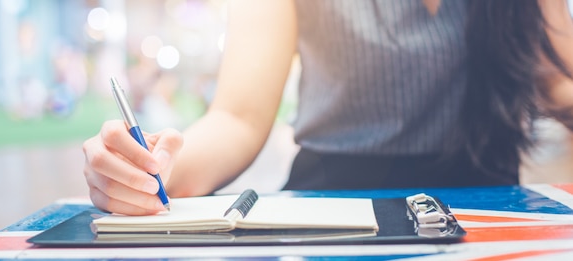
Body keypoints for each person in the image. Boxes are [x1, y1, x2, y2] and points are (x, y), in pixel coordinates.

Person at [82, 0, 573, 215]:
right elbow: (237, 118)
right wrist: (153, 170)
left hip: (485, 209)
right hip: (335, 208)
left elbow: (556, 81)